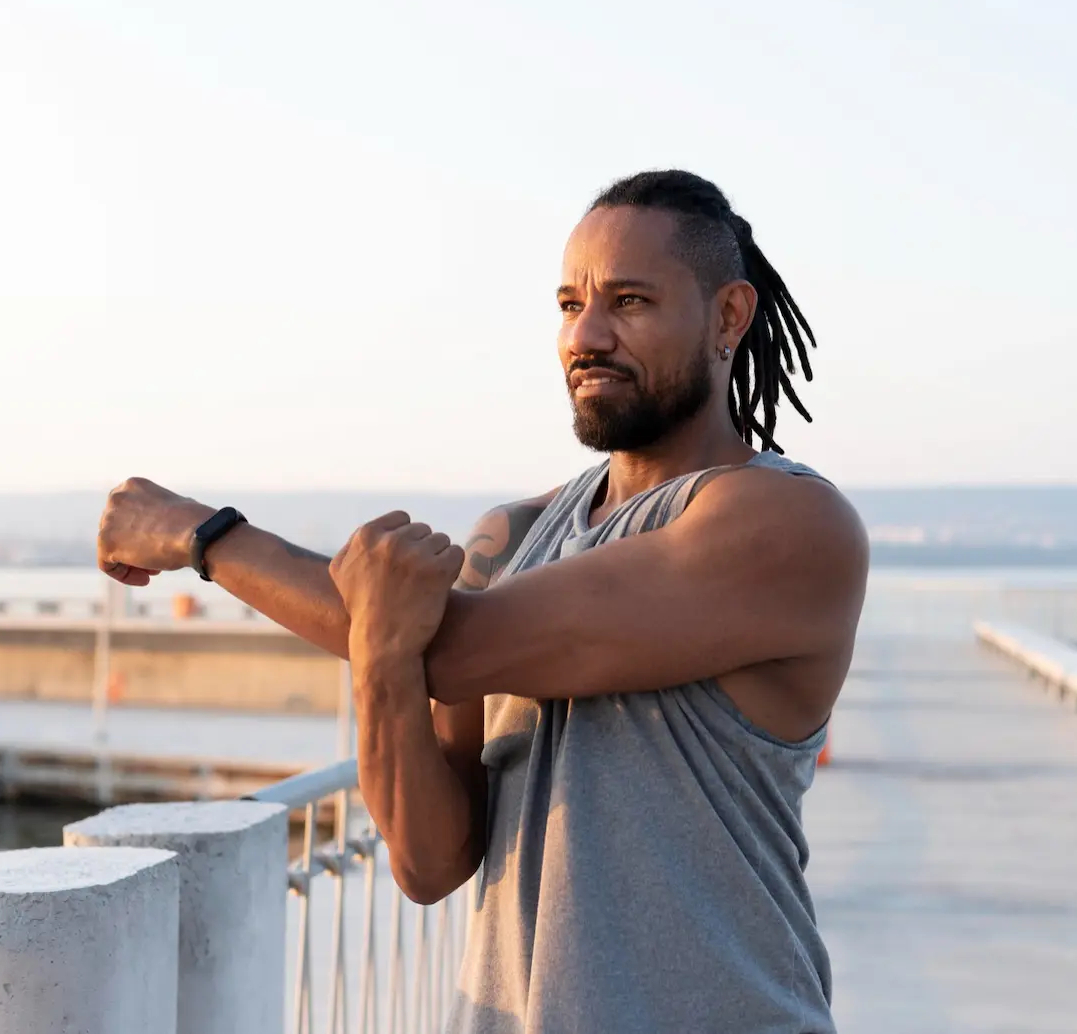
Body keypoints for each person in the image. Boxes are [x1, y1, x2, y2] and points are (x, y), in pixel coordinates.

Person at [97, 170, 868, 1032]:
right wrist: (383, 658)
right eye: (570, 304)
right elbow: (429, 861)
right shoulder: (514, 533)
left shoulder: (787, 522)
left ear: (729, 316)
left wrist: (205, 537)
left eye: (631, 302)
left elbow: (455, 648)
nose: (588, 335)